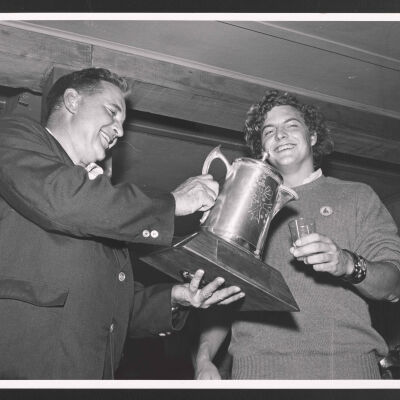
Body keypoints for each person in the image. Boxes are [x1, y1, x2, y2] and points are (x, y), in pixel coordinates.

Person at [0, 67, 245, 379]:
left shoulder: (103, 208)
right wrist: (172, 202)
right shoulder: (13, 135)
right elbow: (61, 198)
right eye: (112, 112)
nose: (119, 130)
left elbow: (112, 305)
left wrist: (174, 298)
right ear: (72, 100)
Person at [193, 90, 400, 379]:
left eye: (291, 125)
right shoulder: (242, 207)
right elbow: (222, 291)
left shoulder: (357, 196)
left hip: (346, 371)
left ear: (312, 136)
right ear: (262, 148)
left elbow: (393, 285)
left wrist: (347, 264)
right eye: (269, 131)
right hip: (256, 376)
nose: (280, 135)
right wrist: (203, 359)